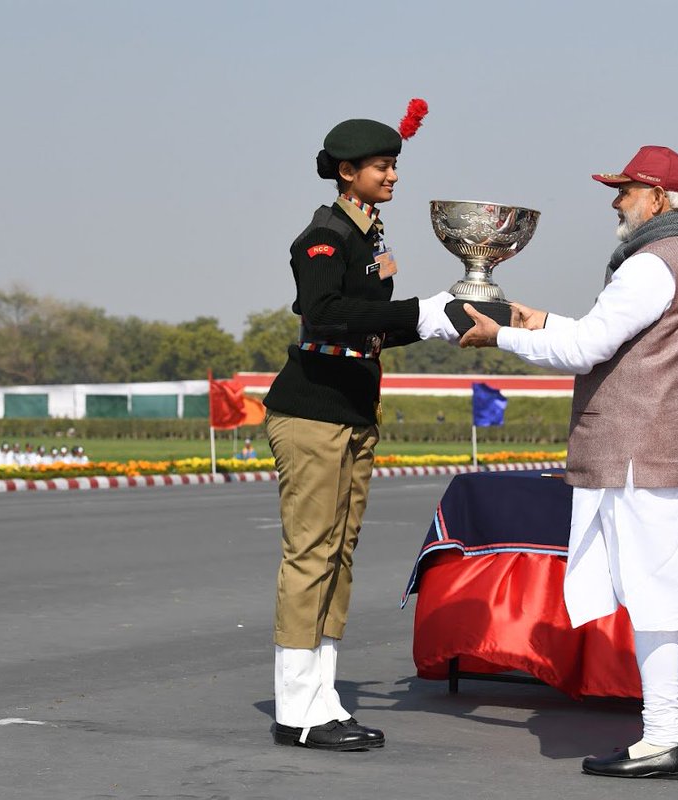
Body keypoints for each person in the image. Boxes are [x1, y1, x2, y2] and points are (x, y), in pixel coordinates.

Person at [460, 145, 678, 780]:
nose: (616, 202)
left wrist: (499, 334)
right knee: (675, 601)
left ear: (659, 201)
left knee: (658, 604)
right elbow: (609, 338)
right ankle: (672, 733)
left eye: (626, 191)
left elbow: (586, 348)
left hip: (640, 456)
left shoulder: (649, 264)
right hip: (676, 454)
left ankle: (665, 738)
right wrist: (543, 320)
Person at [262, 103, 459, 752]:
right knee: (310, 555)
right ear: (346, 173)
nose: (392, 176)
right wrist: (416, 310)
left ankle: (323, 697)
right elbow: (322, 312)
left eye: (394, 165)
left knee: (338, 557)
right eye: (381, 166)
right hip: (313, 412)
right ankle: (297, 708)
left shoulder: (368, 235)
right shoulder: (325, 238)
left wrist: (434, 319)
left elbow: (369, 323)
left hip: (350, 412)